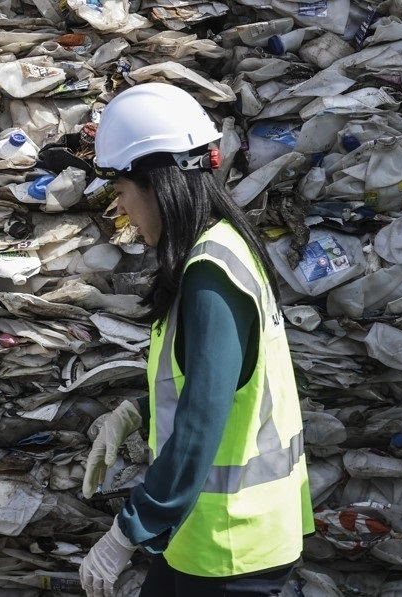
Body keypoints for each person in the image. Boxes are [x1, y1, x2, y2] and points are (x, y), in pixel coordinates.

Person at [78, 83, 313, 597]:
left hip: (230, 546)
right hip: (219, 542)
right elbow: (215, 383)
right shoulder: (222, 250)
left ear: (158, 184)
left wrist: (125, 533)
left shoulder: (210, 274)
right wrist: (135, 412)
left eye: (121, 193)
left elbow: (201, 427)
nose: (123, 213)